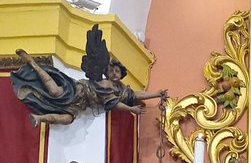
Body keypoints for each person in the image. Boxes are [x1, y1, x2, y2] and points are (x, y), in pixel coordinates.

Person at [12, 43, 165, 127]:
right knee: (55, 92)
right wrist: (130, 109)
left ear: (121, 75)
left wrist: (156, 94)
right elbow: (115, 104)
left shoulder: (122, 91)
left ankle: (39, 118)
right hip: (79, 90)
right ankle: (32, 63)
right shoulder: (105, 83)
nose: (114, 73)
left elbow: (136, 94)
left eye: (117, 72)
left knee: (67, 119)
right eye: (112, 70)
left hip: (81, 104)